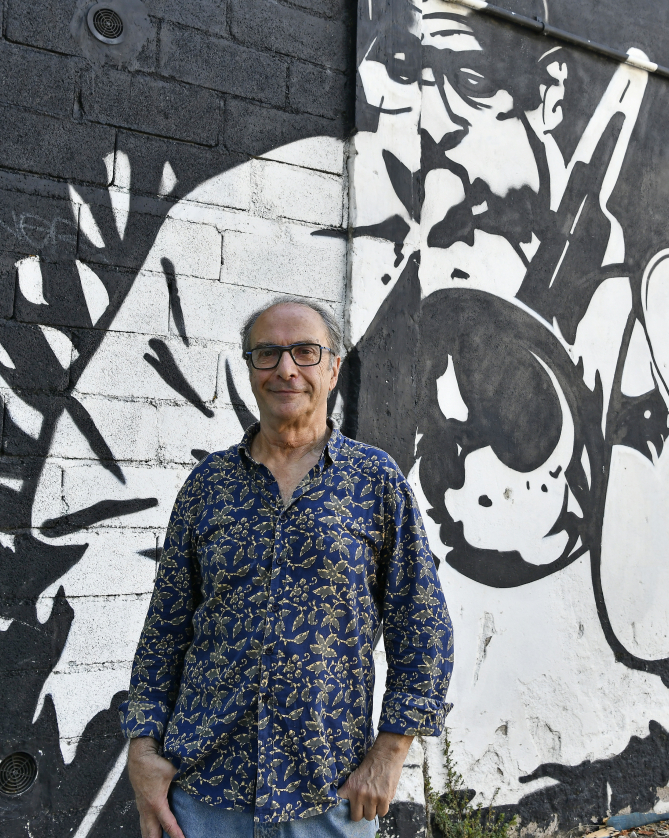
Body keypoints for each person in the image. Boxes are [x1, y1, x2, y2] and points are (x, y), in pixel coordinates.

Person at [121, 298, 453, 838]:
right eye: (267, 353)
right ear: (250, 367)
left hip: (328, 793)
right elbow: (164, 632)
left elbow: (423, 625)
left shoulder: (375, 482)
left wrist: (390, 753)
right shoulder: (208, 486)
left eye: (305, 351)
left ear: (333, 367)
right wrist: (142, 751)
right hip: (203, 793)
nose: (286, 368)